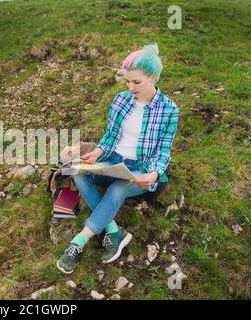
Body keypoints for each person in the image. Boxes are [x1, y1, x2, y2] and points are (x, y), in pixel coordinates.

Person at [57, 43, 180, 274]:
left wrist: (152, 174)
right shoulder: (121, 100)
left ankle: (78, 242)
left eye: (136, 82)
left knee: (117, 189)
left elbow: (164, 151)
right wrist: (98, 152)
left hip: (142, 170)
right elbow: (111, 134)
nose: (130, 87)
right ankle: (114, 231)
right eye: (127, 81)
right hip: (114, 161)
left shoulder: (169, 110)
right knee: (77, 172)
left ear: (153, 77)